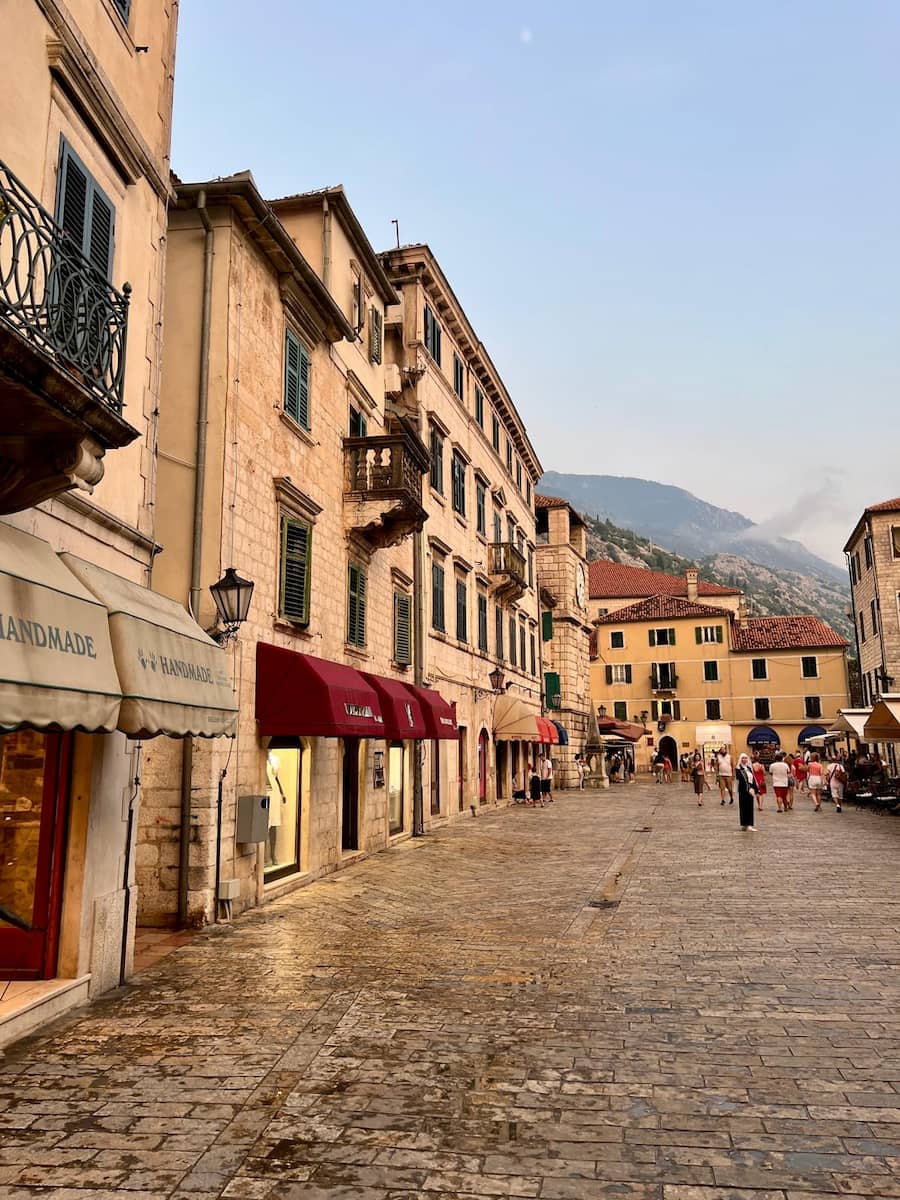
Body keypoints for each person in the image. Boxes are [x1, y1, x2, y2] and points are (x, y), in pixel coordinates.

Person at [735, 753, 759, 831]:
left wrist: (754, 789)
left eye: (745, 758)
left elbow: (753, 779)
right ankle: (744, 824)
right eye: (743, 758)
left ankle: (749, 824)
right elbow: (741, 780)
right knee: (743, 807)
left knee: (750, 807)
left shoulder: (749, 768)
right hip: (743, 790)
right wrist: (748, 788)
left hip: (750, 790)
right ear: (740, 759)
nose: (744, 760)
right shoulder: (738, 769)